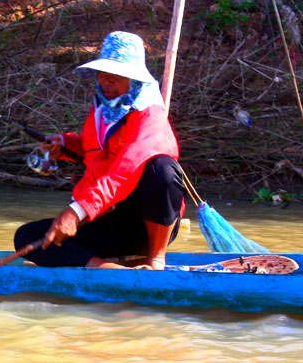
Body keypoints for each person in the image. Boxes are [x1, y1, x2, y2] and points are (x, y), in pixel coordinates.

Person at [14, 31, 186, 270]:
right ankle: (103, 267)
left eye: (116, 75)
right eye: (103, 73)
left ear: (134, 80)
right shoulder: (103, 110)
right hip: (107, 218)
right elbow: (97, 151)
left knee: (162, 169)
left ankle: (155, 259)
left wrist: (76, 212)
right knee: (27, 236)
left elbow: (124, 170)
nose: (106, 81)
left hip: (142, 226)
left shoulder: (150, 117)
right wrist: (64, 145)